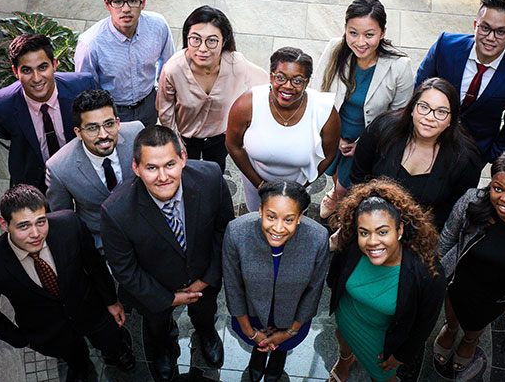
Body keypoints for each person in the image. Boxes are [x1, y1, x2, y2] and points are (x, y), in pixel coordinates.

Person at [100, 125, 234, 381]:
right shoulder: (115, 212)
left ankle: (206, 334)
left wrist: (206, 279)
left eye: (170, 164)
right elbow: (125, 269)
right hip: (155, 290)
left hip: (204, 277)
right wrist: (168, 298)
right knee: (157, 327)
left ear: (183, 158)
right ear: (136, 168)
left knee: (205, 314)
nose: (163, 176)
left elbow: (224, 232)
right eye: (151, 168)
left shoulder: (210, 177)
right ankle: (163, 350)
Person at [0, 185, 135, 382]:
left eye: (41, 222)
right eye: (24, 226)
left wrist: (111, 301)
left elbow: (94, 265)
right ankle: (80, 366)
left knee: (112, 341)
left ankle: (119, 353)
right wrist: (21, 340)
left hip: (92, 310)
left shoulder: (69, 224)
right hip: (48, 330)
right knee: (75, 359)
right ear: (4, 224)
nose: (36, 234)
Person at [437, 151, 505, 372]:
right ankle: (450, 329)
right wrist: (434, 272)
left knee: (475, 326)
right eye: (498, 189)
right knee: (453, 313)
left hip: (496, 297)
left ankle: (470, 341)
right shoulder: (471, 200)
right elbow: (447, 237)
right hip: (458, 283)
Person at [327, 178, 446, 382]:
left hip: (383, 337)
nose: (372, 242)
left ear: (399, 230)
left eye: (383, 232)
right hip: (348, 316)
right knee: (343, 337)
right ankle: (345, 359)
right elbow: (335, 275)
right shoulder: (351, 244)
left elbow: (424, 323)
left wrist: (401, 356)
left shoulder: (427, 273)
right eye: (364, 232)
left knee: (382, 376)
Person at [312, 0, 413, 219]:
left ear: (383, 33)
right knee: (336, 175)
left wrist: (364, 144)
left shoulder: (399, 66)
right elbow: (317, 92)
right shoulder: (334, 48)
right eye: (353, 33)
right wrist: (332, 134)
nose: (360, 42)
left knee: (348, 183)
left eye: (369, 35)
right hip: (335, 130)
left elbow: (399, 118)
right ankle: (337, 192)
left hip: (369, 138)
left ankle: (341, 201)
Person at [223, 180, 330, 382]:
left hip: (292, 316)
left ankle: (279, 354)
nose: (278, 228)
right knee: (258, 342)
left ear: (300, 217)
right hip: (252, 312)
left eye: (289, 220)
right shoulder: (237, 232)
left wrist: (290, 332)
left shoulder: (318, 238)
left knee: (283, 346)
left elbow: (314, 291)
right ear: (261, 210)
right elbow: (232, 286)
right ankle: (259, 352)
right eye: (271, 217)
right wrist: (249, 332)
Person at [415, 0, 505, 164]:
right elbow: (419, 89)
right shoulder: (445, 46)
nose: (490, 38)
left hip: (471, 156)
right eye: (485, 28)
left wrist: (491, 155)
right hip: (424, 141)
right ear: (475, 25)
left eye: (500, 32)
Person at [350, 77, 482, 230]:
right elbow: (358, 177)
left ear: (451, 120)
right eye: (424, 107)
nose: (430, 117)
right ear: (412, 109)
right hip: (370, 222)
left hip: (423, 234)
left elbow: (453, 212)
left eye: (441, 112)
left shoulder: (465, 158)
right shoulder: (383, 129)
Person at [226, 47, 341, 211]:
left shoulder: (325, 111)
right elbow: (233, 145)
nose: (287, 86)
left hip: (299, 184)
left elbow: (329, 154)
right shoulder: (247, 103)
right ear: (271, 76)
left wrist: (303, 186)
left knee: (293, 222)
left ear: (307, 82)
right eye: (280, 77)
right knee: (257, 218)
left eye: (297, 80)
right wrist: (260, 184)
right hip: (255, 181)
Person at [157, 5, 268, 172]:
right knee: (187, 174)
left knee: (215, 171)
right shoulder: (173, 69)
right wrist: (175, 140)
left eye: (212, 41)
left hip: (220, 137)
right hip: (186, 137)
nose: (202, 49)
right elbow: (165, 110)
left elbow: (265, 84)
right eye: (195, 39)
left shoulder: (235, 63)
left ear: (224, 41)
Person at [74, 0, 174, 126]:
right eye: (118, 1)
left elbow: (169, 65)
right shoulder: (90, 43)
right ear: (107, 3)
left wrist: (162, 96)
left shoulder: (158, 26)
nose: (126, 9)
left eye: (133, 1)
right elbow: (86, 90)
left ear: (143, 2)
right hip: (113, 111)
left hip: (149, 104)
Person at [0, 34, 97, 192]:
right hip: (34, 181)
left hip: (82, 172)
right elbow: (3, 132)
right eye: (27, 70)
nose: (36, 79)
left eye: (43, 67)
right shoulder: (1, 105)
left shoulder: (82, 86)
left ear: (54, 64)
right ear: (16, 72)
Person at [45, 89, 144, 249]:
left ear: (118, 123)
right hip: (101, 242)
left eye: (109, 124)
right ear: (78, 133)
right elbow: (65, 221)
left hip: (145, 228)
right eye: (92, 128)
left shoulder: (137, 133)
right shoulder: (59, 168)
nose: (104, 134)